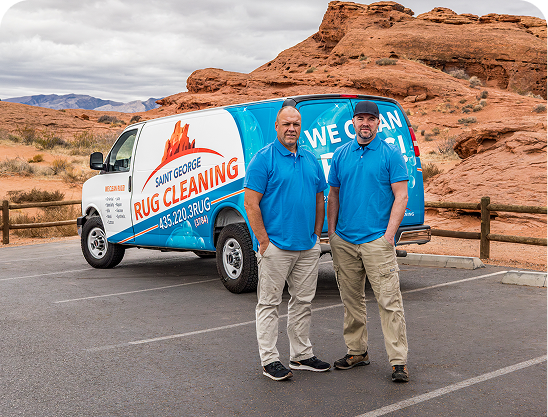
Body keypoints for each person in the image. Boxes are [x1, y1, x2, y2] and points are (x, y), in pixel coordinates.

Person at [244, 105, 331, 381]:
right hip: (276, 247)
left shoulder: (311, 158)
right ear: (277, 126)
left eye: (296, 123)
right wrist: (264, 241)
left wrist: (316, 234)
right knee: (269, 304)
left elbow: (320, 198)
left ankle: (301, 355)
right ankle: (270, 360)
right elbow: (251, 203)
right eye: (286, 124)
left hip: (307, 247)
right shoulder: (263, 159)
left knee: (302, 302)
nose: (291, 128)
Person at [327, 100, 410, 383]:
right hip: (345, 241)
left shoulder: (390, 154)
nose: (365, 123)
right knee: (351, 301)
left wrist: (389, 236)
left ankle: (398, 361)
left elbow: (401, 196)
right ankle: (357, 352)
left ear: (378, 123)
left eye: (370, 119)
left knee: (389, 302)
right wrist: (333, 233)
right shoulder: (340, 155)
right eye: (360, 118)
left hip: (377, 241)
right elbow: (334, 195)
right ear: (353, 122)